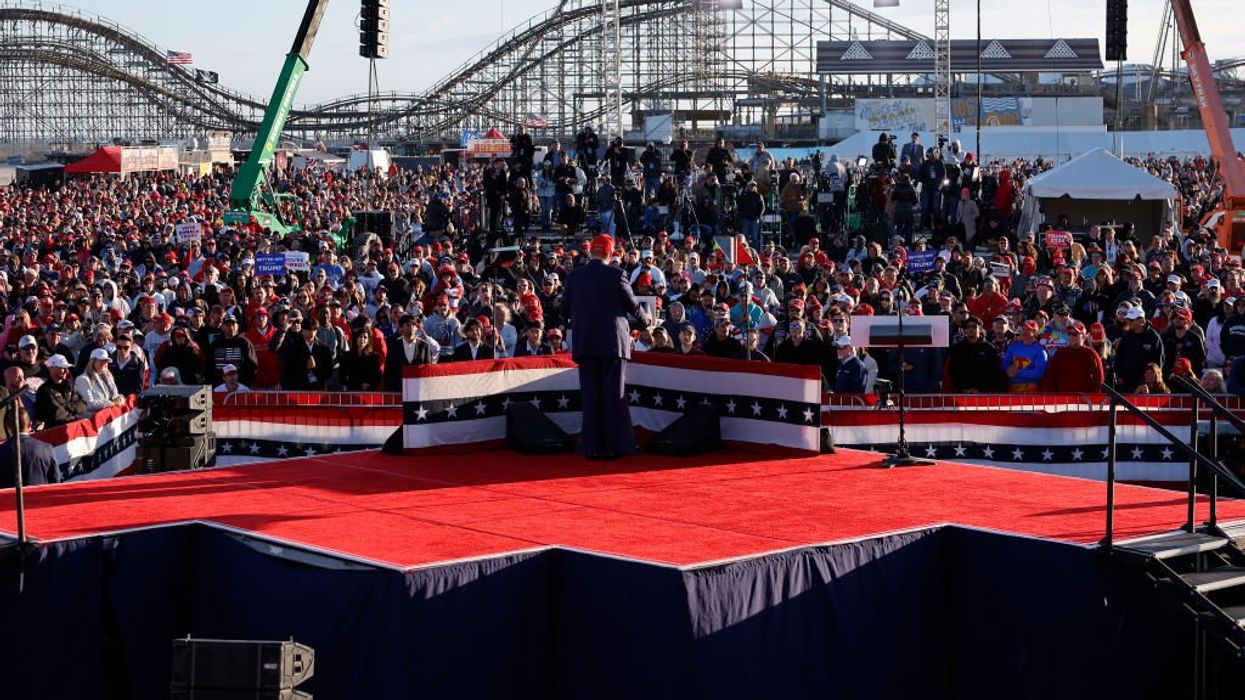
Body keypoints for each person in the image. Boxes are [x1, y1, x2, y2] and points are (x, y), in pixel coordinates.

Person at [562, 233, 649, 460]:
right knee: (613, 395)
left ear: (591, 251)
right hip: (612, 344)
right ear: (610, 253)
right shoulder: (616, 275)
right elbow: (633, 306)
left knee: (590, 396)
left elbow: (564, 310)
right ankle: (613, 446)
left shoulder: (574, 277)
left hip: (585, 343)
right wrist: (646, 320)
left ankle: (591, 447)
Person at [0, 410, 58, 489]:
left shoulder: (2, 451)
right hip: (39, 496)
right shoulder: (46, 449)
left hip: (11, 496)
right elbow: (55, 483)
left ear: (8, 427)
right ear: (30, 424)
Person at [1041, 322, 1105, 393]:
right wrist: (1050, 395)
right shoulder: (1060, 354)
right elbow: (1050, 377)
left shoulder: (1091, 354)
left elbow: (1099, 379)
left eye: (1075, 334)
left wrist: (1093, 397)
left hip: (1084, 398)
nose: (1071, 336)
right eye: (1069, 333)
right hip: (1062, 398)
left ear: (1083, 336)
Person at [945, 316, 1005, 392]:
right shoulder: (957, 348)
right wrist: (962, 388)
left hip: (983, 393)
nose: (971, 329)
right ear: (965, 330)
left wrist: (980, 389)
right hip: (962, 393)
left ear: (980, 329)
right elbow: (953, 370)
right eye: (968, 327)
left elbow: (993, 373)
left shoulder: (989, 349)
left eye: (974, 327)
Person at [34, 354, 85, 428]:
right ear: (52, 368)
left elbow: (83, 405)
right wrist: (73, 409)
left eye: (66, 368)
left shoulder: (70, 385)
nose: (66, 371)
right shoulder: (44, 390)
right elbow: (56, 413)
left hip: (73, 426)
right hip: (56, 429)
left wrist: (68, 408)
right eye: (62, 368)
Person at [1002, 320, 1049, 393]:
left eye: (1028, 329)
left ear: (1035, 333)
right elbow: (1004, 365)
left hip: (1031, 390)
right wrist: (1008, 370)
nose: (1024, 331)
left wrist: (1017, 372)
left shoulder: (1040, 351)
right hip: (1011, 388)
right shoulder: (1013, 346)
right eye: (1023, 329)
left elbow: (1039, 373)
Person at [76, 348, 124, 417]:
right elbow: (89, 404)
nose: (104, 363)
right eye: (101, 360)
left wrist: (120, 398)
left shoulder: (109, 377)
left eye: (106, 361)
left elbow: (114, 396)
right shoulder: (82, 379)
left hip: (109, 416)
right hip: (93, 419)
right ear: (93, 361)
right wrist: (112, 403)